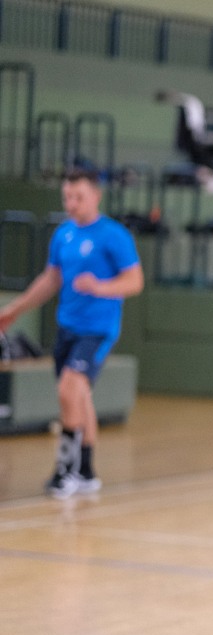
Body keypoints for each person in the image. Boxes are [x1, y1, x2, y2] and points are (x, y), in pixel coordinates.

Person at [0, 168, 143, 499]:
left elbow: (134, 281)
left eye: (78, 197)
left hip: (97, 330)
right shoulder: (63, 234)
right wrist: (15, 309)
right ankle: (87, 471)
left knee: (68, 391)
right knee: (78, 397)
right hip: (68, 327)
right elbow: (50, 279)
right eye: (67, 197)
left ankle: (65, 470)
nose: (71, 203)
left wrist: (100, 287)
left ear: (96, 196)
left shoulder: (114, 236)